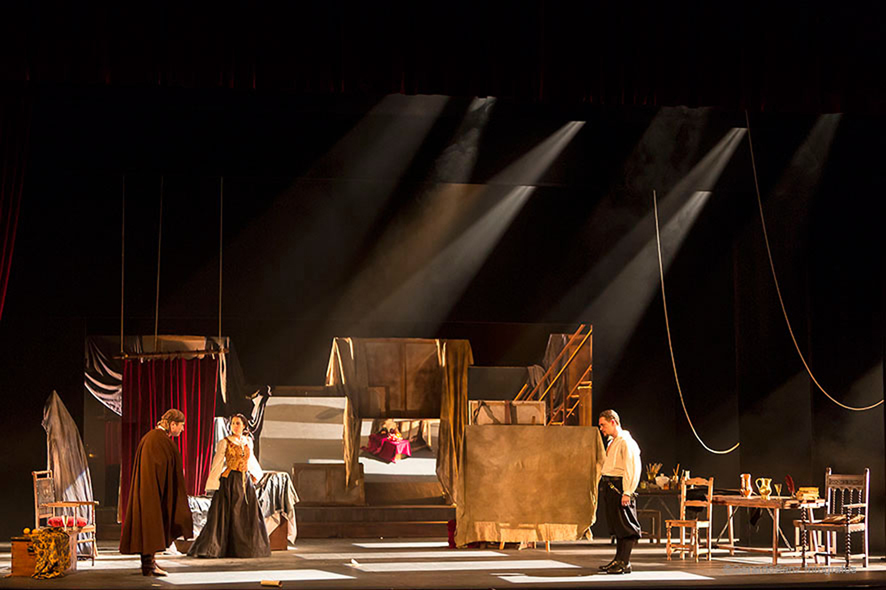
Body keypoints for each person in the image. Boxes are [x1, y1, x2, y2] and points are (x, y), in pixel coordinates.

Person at [119, 409, 193, 577]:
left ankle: (149, 564)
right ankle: (149, 565)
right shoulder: (158, 440)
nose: (182, 429)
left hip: (149, 492)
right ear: (172, 424)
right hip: (152, 493)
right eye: (181, 425)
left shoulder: (151, 438)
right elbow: (160, 469)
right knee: (151, 526)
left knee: (149, 528)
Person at [188, 413, 271, 558]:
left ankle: (246, 548)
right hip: (231, 481)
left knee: (247, 513)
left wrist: (255, 475)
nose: (235, 426)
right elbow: (218, 462)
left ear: (244, 425)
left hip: (245, 481)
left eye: (238, 423)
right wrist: (213, 482)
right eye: (233, 423)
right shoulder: (225, 442)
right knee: (229, 513)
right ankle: (220, 548)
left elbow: (251, 460)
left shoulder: (247, 441)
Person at [596, 409, 642, 575]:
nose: (601, 428)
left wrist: (627, 492)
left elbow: (632, 468)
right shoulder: (613, 441)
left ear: (613, 422)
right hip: (610, 487)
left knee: (626, 526)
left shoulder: (626, 442)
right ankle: (618, 560)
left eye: (603, 425)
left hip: (620, 487)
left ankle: (625, 562)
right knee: (618, 527)